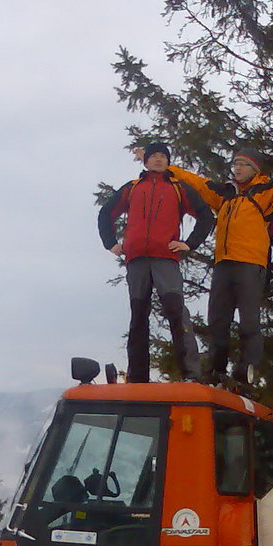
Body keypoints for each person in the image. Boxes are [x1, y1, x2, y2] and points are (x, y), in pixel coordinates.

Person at [166, 143, 273, 385]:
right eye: (234, 164)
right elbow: (196, 182)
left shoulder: (266, 191)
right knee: (217, 321)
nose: (236, 168)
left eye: (242, 164)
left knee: (249, 321)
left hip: (250, 263)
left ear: (254, 169)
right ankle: (216, 371)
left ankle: (245, 372)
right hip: (224, 263)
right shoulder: (225, 194)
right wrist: (167, 167)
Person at [98, 142, 215, 383]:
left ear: (168, 161)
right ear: (146, 161)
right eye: (154, 156)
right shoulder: (132, 188)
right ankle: (137, 377)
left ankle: (191, 375)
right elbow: (105, 213)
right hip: (137, 260)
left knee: (176, 312)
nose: (159, 160)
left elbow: (206, 215)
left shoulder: (178, 188)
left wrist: (190, 243)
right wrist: (110, 243)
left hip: (165, 258)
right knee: (138, 315)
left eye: (163, 156)